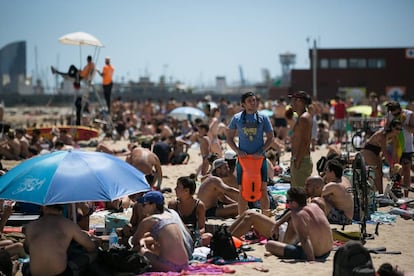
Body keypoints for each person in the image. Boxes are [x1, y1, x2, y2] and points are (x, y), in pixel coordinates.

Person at [227, 91, 274, 216]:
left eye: (254, 100)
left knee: (263, 189)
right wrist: (237, 151)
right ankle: (242, 218)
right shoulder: (237, 118)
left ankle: (265, 217)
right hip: (243, 160)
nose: (253, 103)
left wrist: (262, 150)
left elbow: (270, 138)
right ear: (243, 104)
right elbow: (229, 138)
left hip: (260, 159)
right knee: (243, 190)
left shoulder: (263, 118)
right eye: (250, 101)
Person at [23, 204, 97, 276]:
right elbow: (90, 247)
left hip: (33, 274)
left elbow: (27, 249)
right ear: (61, 210)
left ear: (44, 208)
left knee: (25, 265)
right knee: (92, 254)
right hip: (61, 274)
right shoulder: (68, 224)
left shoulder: (30, 226)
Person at [265, 187, 333, 261]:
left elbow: (304, 239)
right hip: (327, 252)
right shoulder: (314, 206)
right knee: (292, 224)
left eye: (288, 201)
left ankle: (283, 247)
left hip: (316, 254)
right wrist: (277, 224)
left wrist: (311, 260)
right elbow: (291, 213)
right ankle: (284, 246)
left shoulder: (298, 215)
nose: (287, 204)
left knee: (269, 245)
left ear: (293, 203)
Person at [131, 191, 189, 272]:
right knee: (153, 246)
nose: (141, 207)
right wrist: (145, 240)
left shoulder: (149, 220)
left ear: (153, 205)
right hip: (185, 264)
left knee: (139, 249)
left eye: (144, 204)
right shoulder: (170, 216)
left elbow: (134, 241)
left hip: (168, 265)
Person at [360, 119, 402, 194]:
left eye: (400, 129)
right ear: (392, 127)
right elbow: (385, 152)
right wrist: (391, 165)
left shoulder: (394, 138)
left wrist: (395, 164)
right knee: (377, 173)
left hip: (377, 151)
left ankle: (378, 192)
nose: (399, 131)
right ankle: (380, 194)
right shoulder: (383, 135)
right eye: (397, 129)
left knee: (381, 173)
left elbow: (394, 153)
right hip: (368, 150)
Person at [386, 101, 414, 197]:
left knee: (406, 170)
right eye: (393, 114)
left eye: (397, 113)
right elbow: (387, 129)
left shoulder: (409, 114)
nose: (395, 115)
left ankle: (406, 195)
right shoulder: (390, 115)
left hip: (407, 147)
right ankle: (396, 193)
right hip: (394, 147)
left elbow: (413, 130)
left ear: (400, 109)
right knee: (396, 171)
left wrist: (403, 125)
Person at [168, 176, 207, 245]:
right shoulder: (173, 204)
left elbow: (202, 227)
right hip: (177, 234)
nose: (175, 189)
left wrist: (195, 234)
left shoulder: (199, 205)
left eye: (178, 187)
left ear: (186, 191)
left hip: (193, 235)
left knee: (208, 237)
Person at [314, 159, 354, 225]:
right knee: (324, 199)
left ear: (332, 172)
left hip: (344, 219)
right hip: (348, 217)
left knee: (318, 201)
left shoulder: (333, 185)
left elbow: (315, 193)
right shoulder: (344, 179)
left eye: (326, 170)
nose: (325, 172)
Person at [289, 91, 313, 188]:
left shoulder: (304, 118)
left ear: (299, 101)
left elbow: (305, 141)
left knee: (299, 193)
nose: (291, 103)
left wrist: (298, 160)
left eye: (293, 100)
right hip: (300, 159)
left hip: (301, 160)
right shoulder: (302, 117)